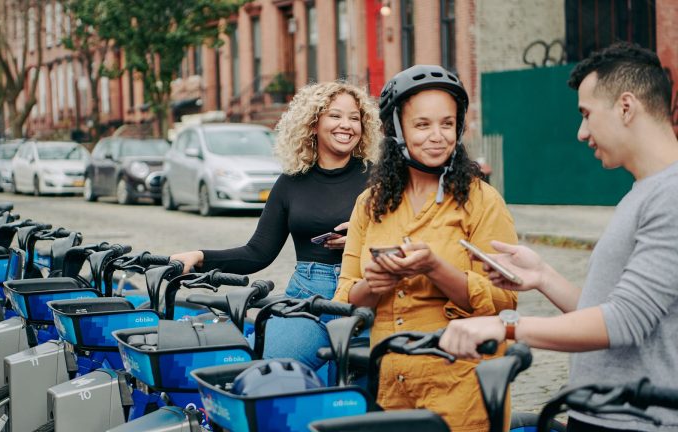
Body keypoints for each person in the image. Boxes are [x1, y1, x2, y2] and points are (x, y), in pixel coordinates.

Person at [439, 42, 678, 431]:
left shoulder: (670, 195)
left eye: (586, 115)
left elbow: (625, 322)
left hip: (636, 421)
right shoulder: (647, 191)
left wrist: (507, 326)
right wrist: (543, 276)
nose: (582, 133)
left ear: (626, 106)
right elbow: (606, 311)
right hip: (606, 413)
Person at [332, 64, 518, 431]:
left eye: (447, 124)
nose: (437, 136)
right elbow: (344, 297)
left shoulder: (483, 201)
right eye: (422, 125)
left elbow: (505, 299)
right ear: (395, 130)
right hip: (392, 382)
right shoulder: (369, 204)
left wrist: (435, 268)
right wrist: (374, 286)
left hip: (462, 385)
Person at [169, 81, 382, 377]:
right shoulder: (290, 183)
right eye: (335, 116)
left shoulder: (379, 179)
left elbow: (408, 241)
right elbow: (258, 252)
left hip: (369, 298)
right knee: (264, 377)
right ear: (314, 122)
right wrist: (200, 256)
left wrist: (362, 239)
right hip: (308, 299)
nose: (346, 125)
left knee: (362, 402)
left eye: (355, 117)